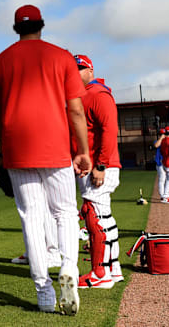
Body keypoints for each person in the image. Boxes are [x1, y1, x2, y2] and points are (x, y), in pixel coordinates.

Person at [0, 5, 91, 315]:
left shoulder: (0, 61)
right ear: (41, 25)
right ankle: (69, 266)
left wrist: (4, 151)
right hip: (55, 146)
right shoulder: (61, 56)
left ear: (15, 28)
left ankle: (44, 293)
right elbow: (75, 110)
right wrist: (82, 150)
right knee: (64, 212)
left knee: (31, 217)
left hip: (18, 147)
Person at [72, 54, 124, 288]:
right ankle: (113, 269)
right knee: (103, 216)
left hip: (100, 165)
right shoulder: (83, 96)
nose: (76, 73)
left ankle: (99, 273)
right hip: (93, 164)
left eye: (80, 69)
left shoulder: (98, 93)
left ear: (90, 71)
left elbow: (110, 130)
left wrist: (101, 165)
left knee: (93, 215)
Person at [153, 129, 167, 198]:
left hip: (167, 162)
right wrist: (161, 138)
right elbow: (156, 145)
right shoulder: (157, 141)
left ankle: (167, 194)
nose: (164, 135)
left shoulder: (167, 141)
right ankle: (162, 195)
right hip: (160, 163)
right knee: (162, 178)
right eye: (162, 134)